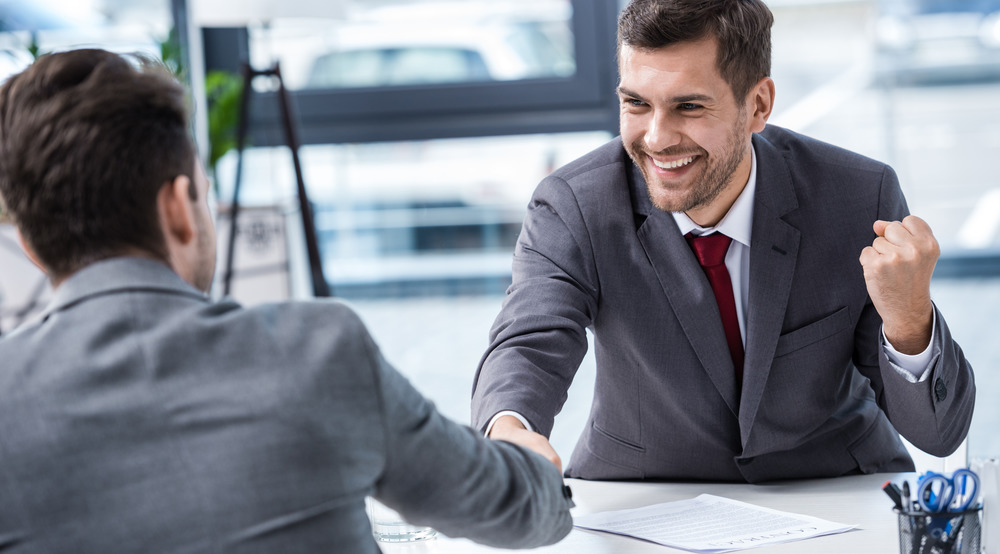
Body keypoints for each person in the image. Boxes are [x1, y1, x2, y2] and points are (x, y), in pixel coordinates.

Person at [0, 49, 573, 553]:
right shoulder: (316, 352)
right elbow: (513, 510)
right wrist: (539, 477)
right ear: (178, 206)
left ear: (28, 242)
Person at [471, 0, 976, 483]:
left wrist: (910, 321)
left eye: (688, 106)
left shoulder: (858, 198)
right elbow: (530, 341)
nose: (656, 137)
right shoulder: (574, 204)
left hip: (832, 490)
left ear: (758, 105)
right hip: (644, 498)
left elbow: (939, 435)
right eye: (636, 104)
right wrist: (510, 429)